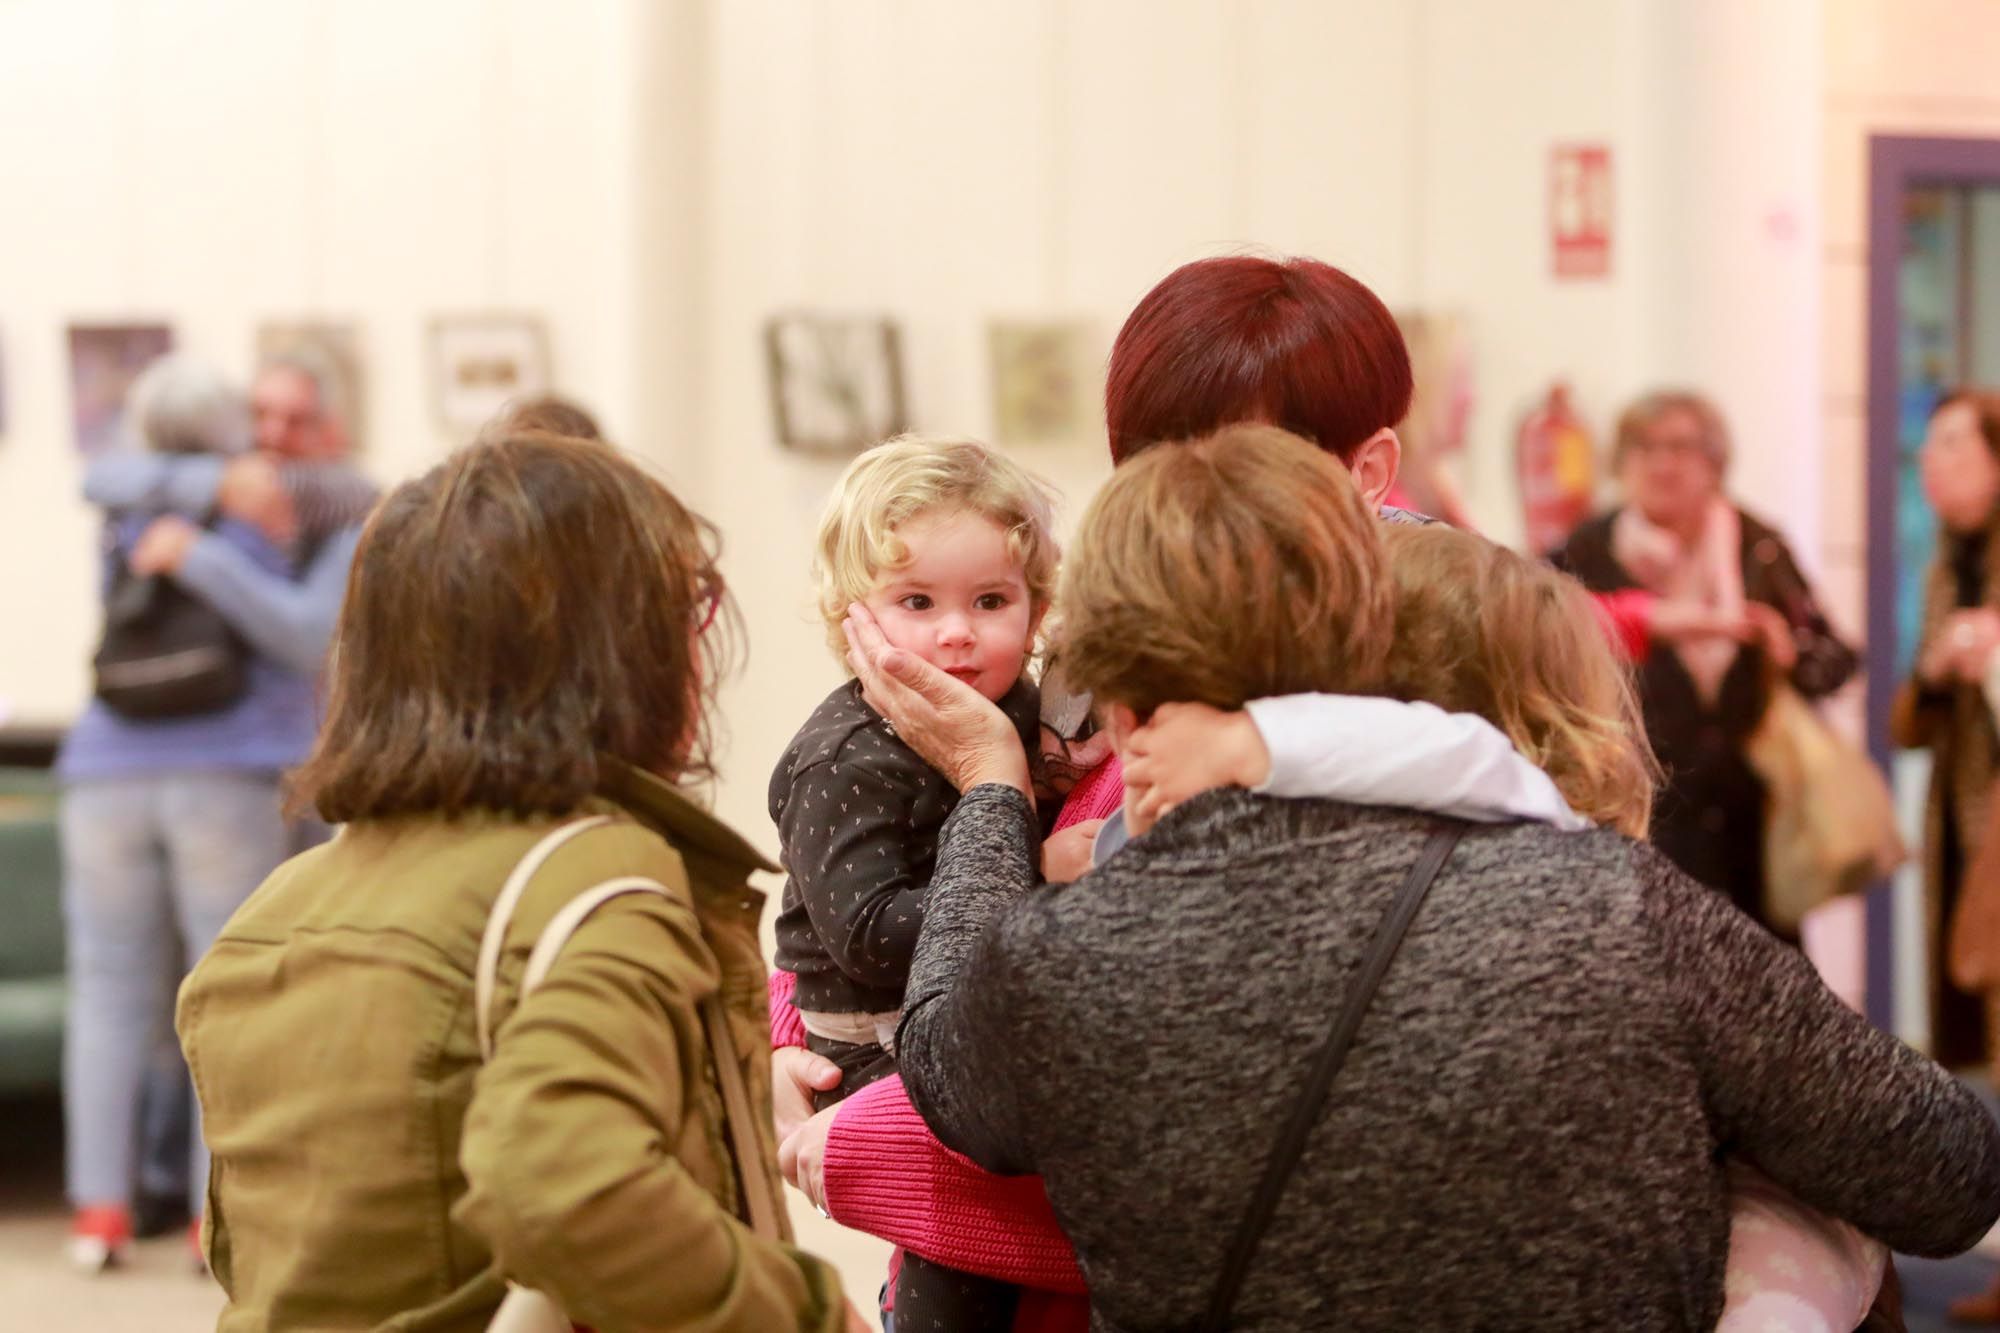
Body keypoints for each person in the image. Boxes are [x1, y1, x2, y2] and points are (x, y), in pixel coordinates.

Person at [847, 423, 2000, 1330]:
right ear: (1367, 640)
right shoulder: (1615, 909)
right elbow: (1944, 1172)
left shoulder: (1068, 958)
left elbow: (945, 1066)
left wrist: (990, 782)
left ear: (1117, 688)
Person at [177, 433, 861, 1332]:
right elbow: (564, 1181)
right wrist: (810, 1314)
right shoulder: (599, 875)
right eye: (684, 612)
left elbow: (260, 1252)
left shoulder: (279, 905)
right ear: (628, 652)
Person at [57, 356, 373, 1272]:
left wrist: (188, 551)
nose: (271, 437)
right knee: (221, 994)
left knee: (114, 995)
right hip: (225, 775)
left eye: (292, 417)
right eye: (256, 416)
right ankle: (201, 1216)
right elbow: (301, 635)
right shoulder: (270, 512)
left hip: (107, 768)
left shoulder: (135, 508)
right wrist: (222, 518)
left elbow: (103, 477)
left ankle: (99, 1216)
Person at [773, 436, 1057, 1330]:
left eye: (990, 600)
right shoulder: (844, 758)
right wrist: (1031, 876)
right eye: (916, 602)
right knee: (961, 1239)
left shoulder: (1015, 705)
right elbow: (865, 930)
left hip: (950, 1005)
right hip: (869, 1034)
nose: (957, 632)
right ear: (849, 615)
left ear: (1036, 607)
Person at [1550, 389, 1858, 938]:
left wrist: (1787, 653)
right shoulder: (1586, 553)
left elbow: (1833, 659)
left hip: (1753, 834)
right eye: (1644, 447)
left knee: (1767, 997)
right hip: (1638, 825)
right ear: (1621, 463)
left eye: (1681, 447)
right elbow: (1541, 655)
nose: (1662, 463)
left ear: (1715, 464)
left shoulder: (1758, 548)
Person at [1888, 389, 2000, 1325]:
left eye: (1956, 444)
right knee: (1987, 1033)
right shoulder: (1947, 565)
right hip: (1966, 829)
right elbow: (1908, 717)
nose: (1934, 462)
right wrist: (1938, 666)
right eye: (1931, 445)